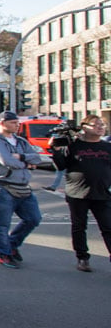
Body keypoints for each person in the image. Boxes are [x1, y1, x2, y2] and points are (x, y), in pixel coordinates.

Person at [50, 115, 111, 272]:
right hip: (78, 194)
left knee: (108, 227)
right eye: (95, 124)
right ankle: (82, 257)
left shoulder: (107, 147)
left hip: (102, 193)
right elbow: (61, 165)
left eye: (102, 124)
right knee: (79, 227)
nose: (100, 127)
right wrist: (55, 150)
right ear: (84, 127)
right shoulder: (74, 146)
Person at [0, 111, 43, 269]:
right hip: (3, 186)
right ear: (2, 123)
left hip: (23, 186)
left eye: (17, 123)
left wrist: (21, 157)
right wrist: (26, 162)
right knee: (2, 223)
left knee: (34, 218)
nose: (17, 126)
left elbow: (38, 158)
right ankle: (4, 253)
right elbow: (7, 161)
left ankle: (12, 244)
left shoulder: (20, 141)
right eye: (13, 123)